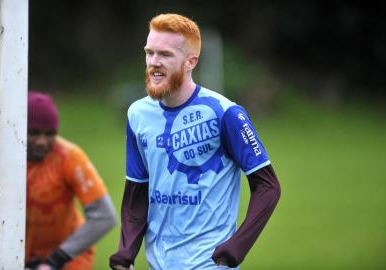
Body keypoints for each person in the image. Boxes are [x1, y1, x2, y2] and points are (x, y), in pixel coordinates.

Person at [109, 13, 281, 270]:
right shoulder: (137, 114)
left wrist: (237, 246)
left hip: (209, 264)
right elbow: (137, 191)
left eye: (165, 55)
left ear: (191, 61)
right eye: (149, 53)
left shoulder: (227, 113)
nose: (154, 62)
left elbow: (268, 186)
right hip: (158, 263)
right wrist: (126, 251)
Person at [0, 91, 117, 270]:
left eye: (50, 134)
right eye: (33, 132)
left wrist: (54, 261)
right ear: (16, 127)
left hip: (68, 259)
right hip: (16, 259)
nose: (42, 142)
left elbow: (104, 216)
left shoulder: (69, 156)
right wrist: (2, 257)